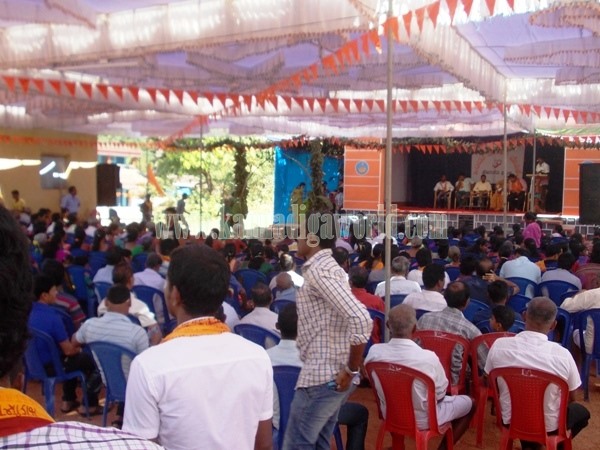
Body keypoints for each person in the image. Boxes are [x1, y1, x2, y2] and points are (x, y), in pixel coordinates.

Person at [0, 206, 162, 450]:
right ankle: (81, 401)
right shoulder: (130, 446)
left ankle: (71, 399)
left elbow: (73, 342)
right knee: (84, 361)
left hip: (44, 366)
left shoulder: (90, 320)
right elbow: (70, 349)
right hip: (66, 367)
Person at [123, 244, 273, 450]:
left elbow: (140, 446)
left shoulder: (149, 366)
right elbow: (263, 445)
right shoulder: (258, 357)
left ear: (174, 294)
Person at [283, 211, 372, 450]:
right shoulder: (327, 268)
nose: (296, 238)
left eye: (300, 233)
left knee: (296, 445)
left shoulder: (321, 271)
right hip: (329, 374)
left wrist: (351, 368)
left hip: (322, 376)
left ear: (312, 238)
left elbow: (361, 318)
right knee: (320, 443)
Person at [484, 297, 590, 449]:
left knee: (529, 411)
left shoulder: (499, 345)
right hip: (549, 425)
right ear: (553, 325)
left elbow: (489, 380)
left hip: (510, 419)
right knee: (581, 413)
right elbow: (571, 397)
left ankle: (531, 445)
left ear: (524, 315)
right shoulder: (563, 355)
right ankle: (555, 443)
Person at [365, 304, 474, 449]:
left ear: (387, 325)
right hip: (424, 419)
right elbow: (440, 394)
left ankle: (398, 445)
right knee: (471, 403)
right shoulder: (428, 358)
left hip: (390, 414)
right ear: (415, 329)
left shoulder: (374, 353)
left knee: (394, 398)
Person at [268, 303, 369, 450]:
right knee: (359, 414)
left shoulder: (263, 358)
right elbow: (352, 382)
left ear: (277, 326)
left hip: (276, 425)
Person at [72, 284, 149, 428]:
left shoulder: (90, 325)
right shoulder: (137, 333)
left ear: (106, 302)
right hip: (134, 388)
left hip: (107, 383)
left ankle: (119, 415)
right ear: (129, 303)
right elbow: (148, 365)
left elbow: (74, 341)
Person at [29, 274, 102, 416]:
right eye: (54, 290)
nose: (57, 293)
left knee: (74, 360)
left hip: (33, 364)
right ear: (44, 295)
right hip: (53, 367)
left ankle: (68, 400)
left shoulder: (27, 312)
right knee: (90, 361)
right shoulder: (53, 317)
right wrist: (79, 348)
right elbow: (68, 350)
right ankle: (90, 404)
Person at [417, 281, 487, 383]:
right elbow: (486, 364)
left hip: (423, 378)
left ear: (444, 297)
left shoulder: (425, 319)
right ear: (467, 302)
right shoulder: (471, 330)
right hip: (454, 384)